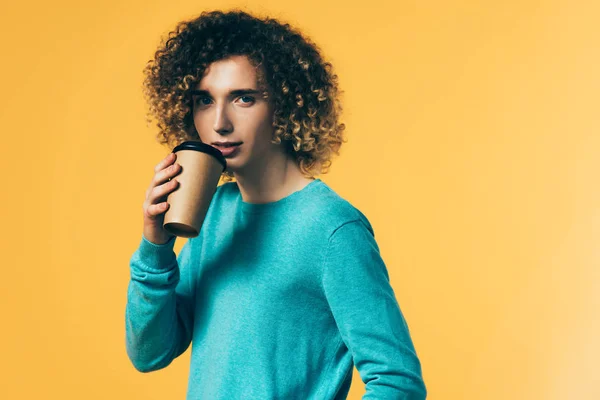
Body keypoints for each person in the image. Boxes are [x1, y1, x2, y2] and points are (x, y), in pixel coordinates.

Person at [125, 9, 427, 400]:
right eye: (204, 100)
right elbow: (149, 353)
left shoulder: (332, 229)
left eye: (244, 98)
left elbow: (398, 381)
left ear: (285, 107)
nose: (219, 122)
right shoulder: (214, 211)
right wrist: (155, 247)